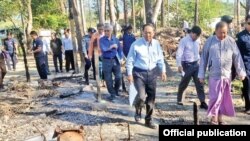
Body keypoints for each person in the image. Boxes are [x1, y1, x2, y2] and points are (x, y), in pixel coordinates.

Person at [198, 21, 246, 125]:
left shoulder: (231, 41)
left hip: (226, 75)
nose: (223, 35)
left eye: (225, 32)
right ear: (215, 31)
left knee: (223, 98)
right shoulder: (209, 41)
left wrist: (241, 72)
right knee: (215, 97)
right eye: (221, 32)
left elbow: (237, 57)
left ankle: (219, 119)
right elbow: (203, 59)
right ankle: (213, 118)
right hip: (214, 75)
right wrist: (201, 74)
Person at [126, 23, 167, 129]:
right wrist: (129, 74)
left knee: (151, 98)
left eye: (150, 32)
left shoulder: (156, 44)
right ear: (142, 32)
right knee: (141, 96)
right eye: (145, 32)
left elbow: (160, 58)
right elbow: (130, 60)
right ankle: (138, 109)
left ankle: (148, 120)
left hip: (152, 73)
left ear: (153, 33)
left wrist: (163, 71)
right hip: (139, 73)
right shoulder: (135, 44)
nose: (147, 35)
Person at [176, 26, 208, 109]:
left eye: (198, 37)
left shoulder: (198, 40)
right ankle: (179, 99)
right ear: (192, 33)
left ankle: (202, 101)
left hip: (196, 64)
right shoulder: (184, 41)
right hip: (186, 64)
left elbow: (199, 52)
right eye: (196, 36)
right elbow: (179, 53)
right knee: (184, 83)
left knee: (199, 83)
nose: (196, 38)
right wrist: (179, 65)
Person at [99, 23, 123, 101]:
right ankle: (112, 94)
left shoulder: (116, 39)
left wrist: (121, 57)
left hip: (115, 60)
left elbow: (119, 49)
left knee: (118, 77)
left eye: (108, 31)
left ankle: (115, 91)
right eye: (105, 31)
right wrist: (111, 47)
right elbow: (103, 49)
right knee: (108, 79)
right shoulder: (101, 40)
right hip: (106, 61)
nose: (106, 32)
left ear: (111, 31)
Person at [236, 15, 250, 114]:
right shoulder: (240, 36)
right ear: (245, 23)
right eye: (249, 23)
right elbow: (237, 53)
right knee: (248, 85)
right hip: (245, 64)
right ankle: (248, 107)